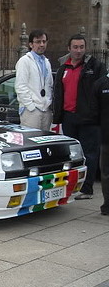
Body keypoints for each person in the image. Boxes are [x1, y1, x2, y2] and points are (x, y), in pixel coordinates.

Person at [53, 34, 107, 199]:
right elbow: (58, 94)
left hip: (89, 119)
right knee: (72, 154)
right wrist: (58, 117)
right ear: (69, 49)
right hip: (69, 118)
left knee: (90, 154)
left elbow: (102, 92)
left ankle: (87, 189)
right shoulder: (63, 68)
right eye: (75, 47)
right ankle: (73, 185)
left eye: (81, 47)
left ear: (85, 48)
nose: (78, 51)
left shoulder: (96, 66)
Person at [14, 29, 54, 131]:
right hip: (31, 111)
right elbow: (20, 86)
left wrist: (48, 103)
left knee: (44, 144)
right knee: (30, 142)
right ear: (31, 44)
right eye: (38, 42)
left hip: (46, 110)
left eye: (44, 42)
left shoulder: (47, 62)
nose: (41, 44)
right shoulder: (24, 61)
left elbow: (49, 85)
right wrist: (31, 107)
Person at [90, 72, 109, 215]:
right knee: (106, 173)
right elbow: (94, 112)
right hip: (106, 137)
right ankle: (107, 205)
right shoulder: (100, 84)